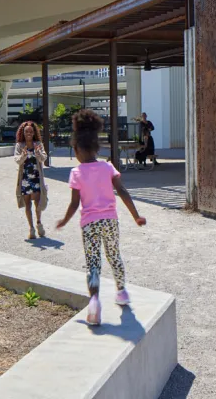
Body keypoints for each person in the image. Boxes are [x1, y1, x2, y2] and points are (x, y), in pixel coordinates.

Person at [57, 109, 146, 326]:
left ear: (77, 149)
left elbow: (74, 203)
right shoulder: (108, 167)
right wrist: (136, 215)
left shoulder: (76, 172)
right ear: (96, 147)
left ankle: (94, 301)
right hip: (110, 221)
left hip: (89, 224)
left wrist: (64, 220)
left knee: (93, 262)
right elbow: (123, 191)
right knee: (114, 254)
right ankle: (122, 291)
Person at [14, 121, 48, 239]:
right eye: (26, 131)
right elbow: (17, 160)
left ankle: (39, 223)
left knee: (37, 202)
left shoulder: (38, 144)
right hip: (24, 179)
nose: (29, 133)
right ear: (23, 132)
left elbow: (44, 158)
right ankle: (31, 228)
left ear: (34, 133)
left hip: (36, 178)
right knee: (27, 204)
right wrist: (23, 155)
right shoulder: (20, 145)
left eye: (31, 131)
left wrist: (38, 153)